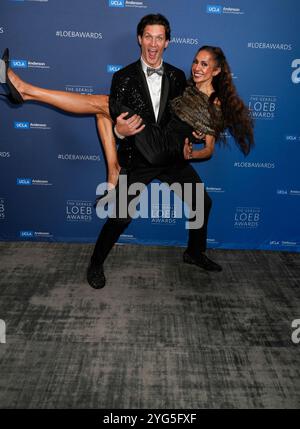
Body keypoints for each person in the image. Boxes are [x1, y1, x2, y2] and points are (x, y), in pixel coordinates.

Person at [0, 14, 253, 289]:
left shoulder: (178, 77)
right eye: (148, 36)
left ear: (167, 42)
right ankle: (95, 263)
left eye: (159, 37)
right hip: (143, 155)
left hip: (170, 156)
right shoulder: (123, 77)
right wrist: (120, 133)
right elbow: (108, 121)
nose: (153, 43)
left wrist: (196, 140)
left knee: (202, 203)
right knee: (120, 214)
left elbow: (195, 123)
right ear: (139, 39)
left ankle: (194, 252)